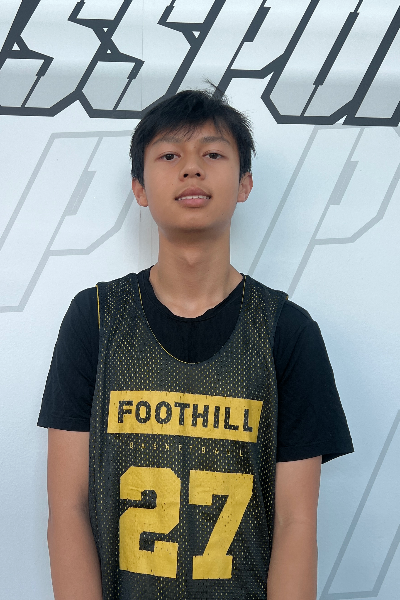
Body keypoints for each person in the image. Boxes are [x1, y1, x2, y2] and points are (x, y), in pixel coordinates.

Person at [38, 89, 353, 600]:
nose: (191, 168)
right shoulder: (94, 320)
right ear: (139, 187)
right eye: (169, 155)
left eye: (212, 153)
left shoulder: (286, 331)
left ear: (244, 183)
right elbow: (67, 507)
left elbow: (297, 522)